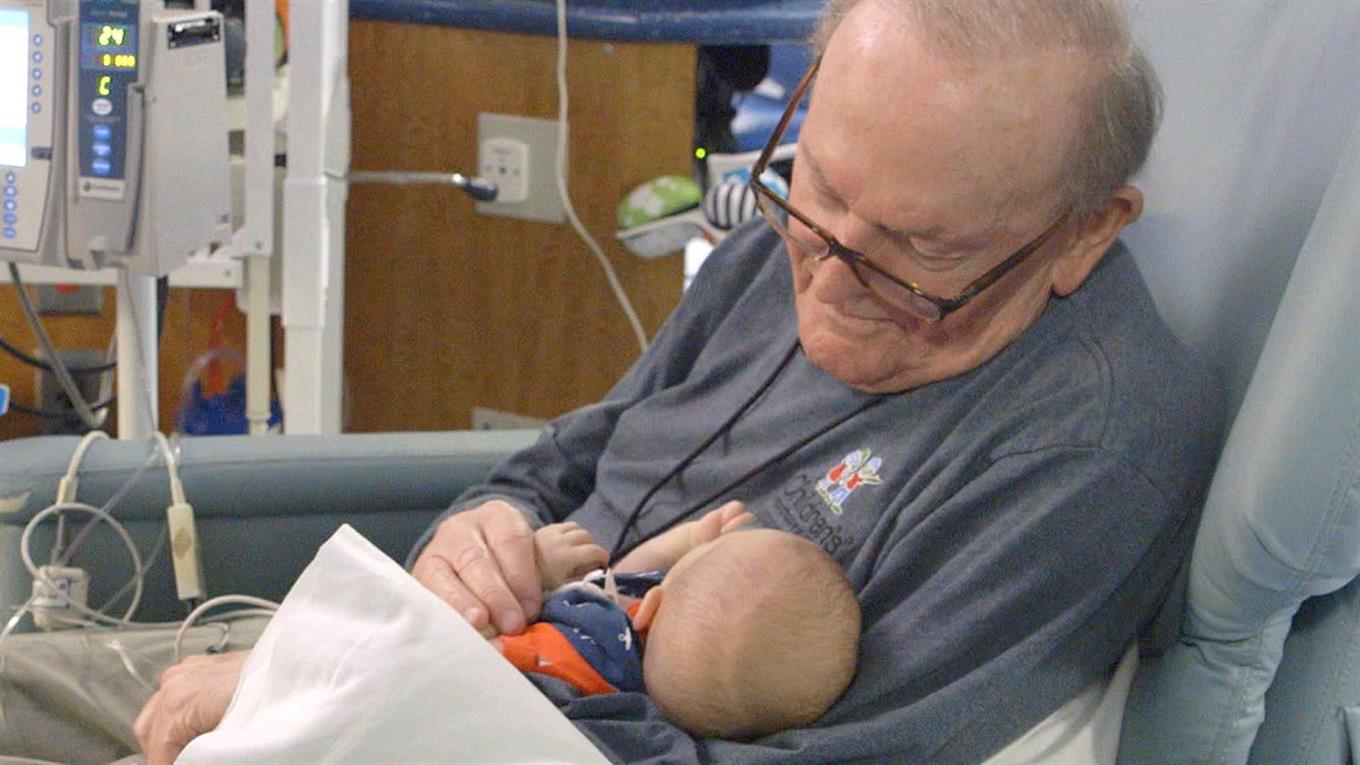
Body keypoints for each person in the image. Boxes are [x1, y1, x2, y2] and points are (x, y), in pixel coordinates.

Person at [129, 0, 1223, 762]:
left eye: (917, 251)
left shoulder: (1084, 451)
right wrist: (480, 537)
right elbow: (560, 468)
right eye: (818, 188)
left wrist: (348, 690)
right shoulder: (775, 252)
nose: (830, 278)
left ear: (1086, 231)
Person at [507, 506, 861, 739]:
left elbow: (487, 648)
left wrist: (539, 572)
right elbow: (624, 583)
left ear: (649, 608)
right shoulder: (655, 713)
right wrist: (688, 542)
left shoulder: (579, 651)